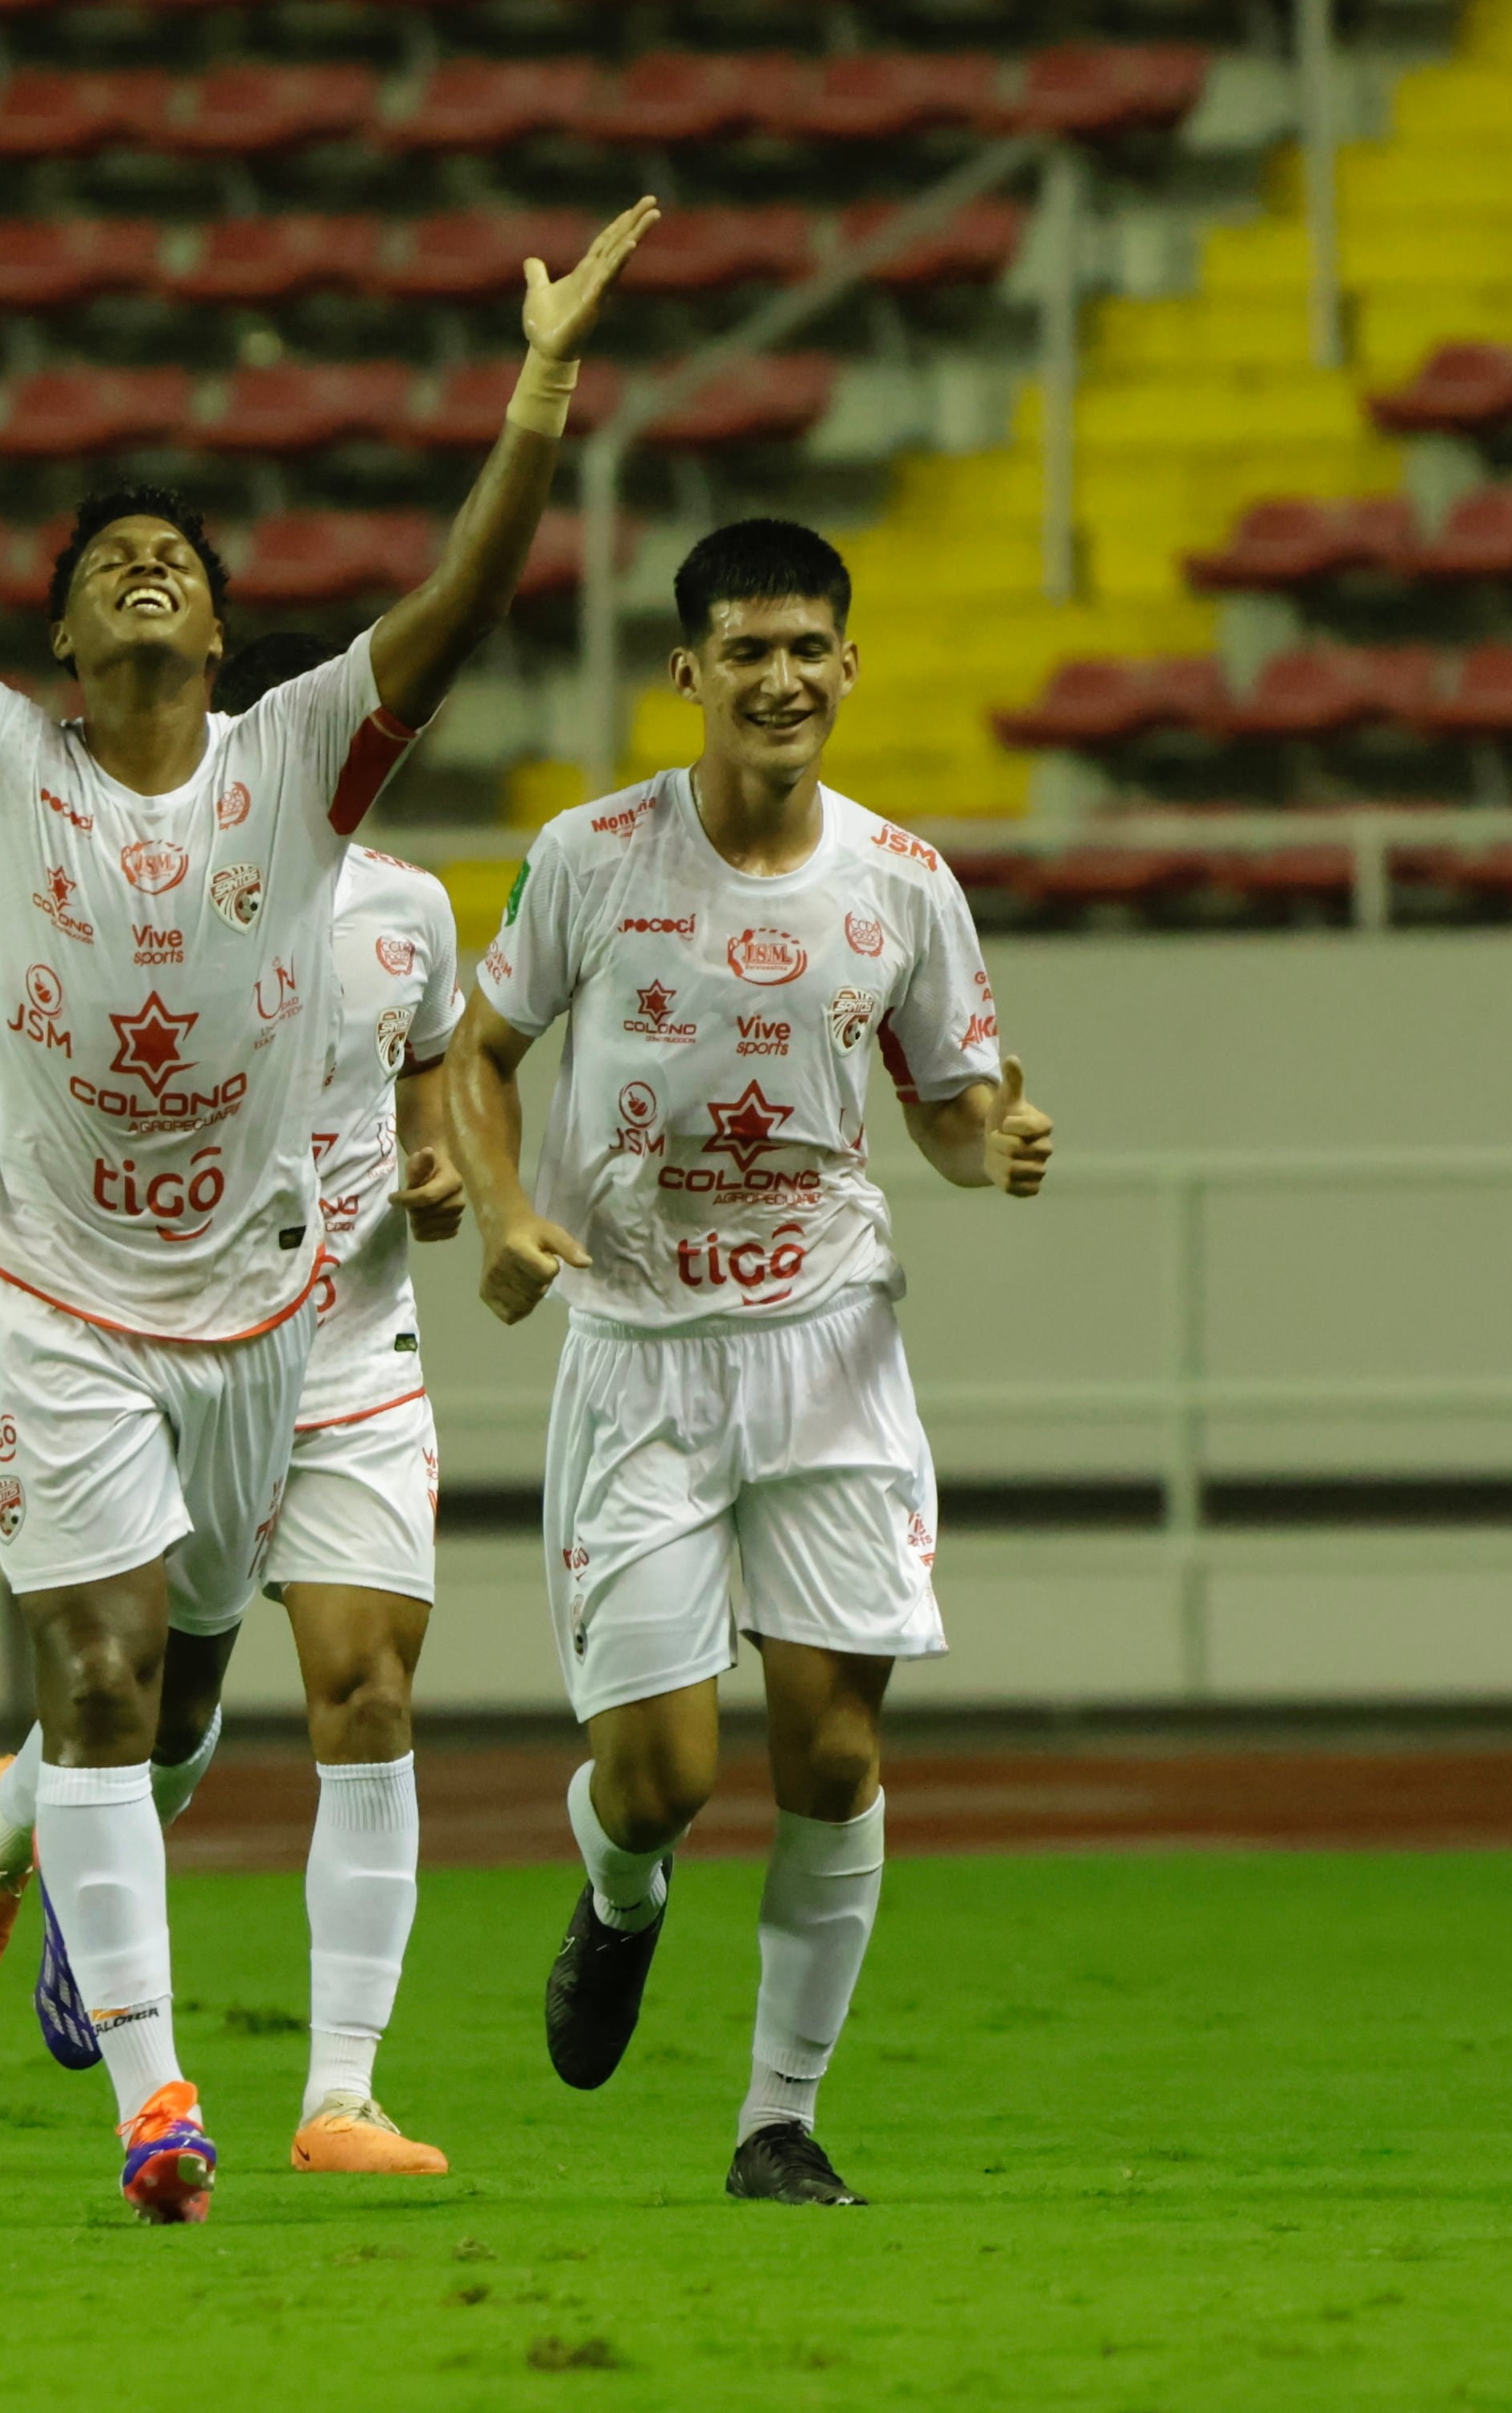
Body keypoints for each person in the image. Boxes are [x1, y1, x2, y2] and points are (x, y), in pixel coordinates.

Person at [0, 178, 656, 2221]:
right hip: (59, 1298)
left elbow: (462, 601)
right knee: (102, 1684)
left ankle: (111, 1909)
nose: (149, 570)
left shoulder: (300, 763)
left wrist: (534, 396)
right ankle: (158, 2110)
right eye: (111, 562)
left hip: (280, 1310)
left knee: (216, 1710)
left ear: (222, 632)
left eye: (180, 557)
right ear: (64, 643)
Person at [438, 517, 1056, 2207]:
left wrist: (988, 1141)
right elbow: (478, 1054)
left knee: (831, 1756)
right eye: (747, 651)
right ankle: (620, 1894)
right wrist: (502, 1212)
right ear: (686, 673)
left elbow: (943, 1099)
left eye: (808, 649)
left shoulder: (906, 883)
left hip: (829, 1344)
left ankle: (774, 2122)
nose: (780, 679)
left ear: (848, 666)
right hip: (639, 1352)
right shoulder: (586, 856)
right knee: (662, 1782)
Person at [0, 632, 477, 2177]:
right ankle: (23, 1824)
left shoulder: (415, 912)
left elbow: (429, 1071)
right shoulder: (155, 891)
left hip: (354, 1341)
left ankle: (341, 2095)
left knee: (368, 1694)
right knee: (160, 1710)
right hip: (174, 1329)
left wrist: (446, 1171)